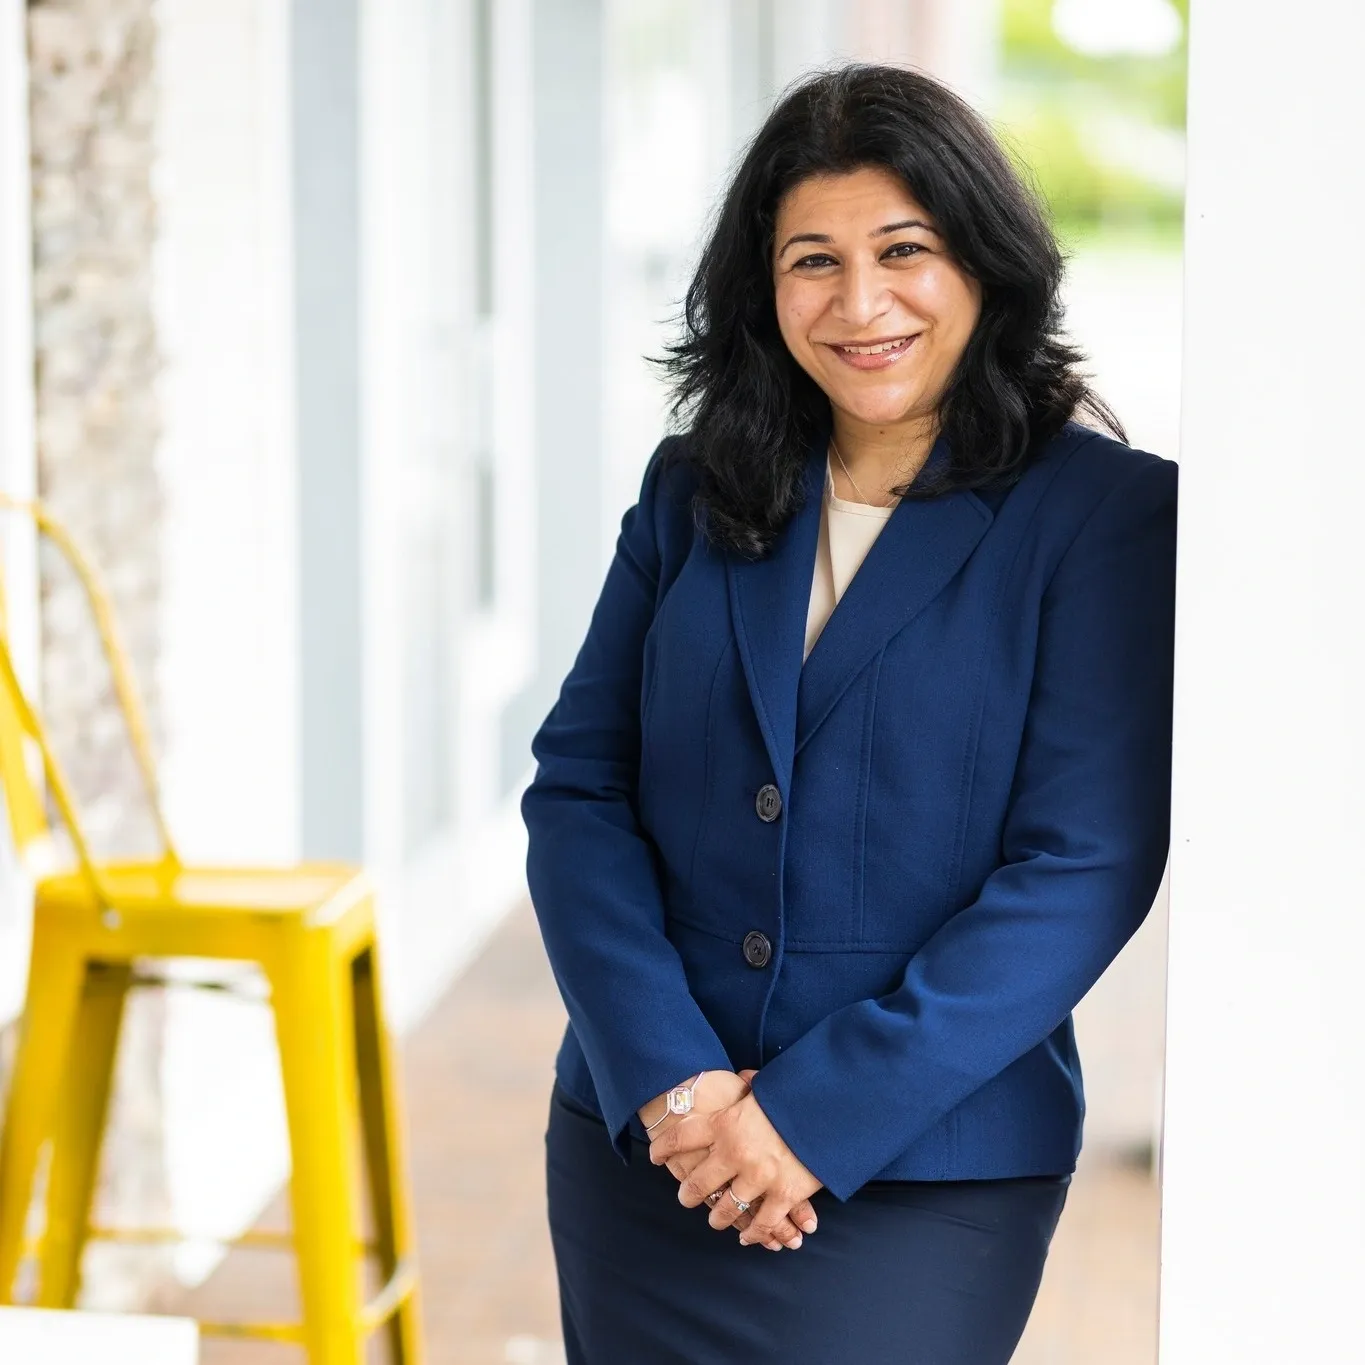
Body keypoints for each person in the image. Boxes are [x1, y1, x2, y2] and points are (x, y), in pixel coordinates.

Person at [522, 62, 1177, 1365]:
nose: (860, 302)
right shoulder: (691, 489)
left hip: (926, 1168)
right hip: (655, 1146)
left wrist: (808, 1117)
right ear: (762, 291)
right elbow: (578, 789)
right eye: (811, 260)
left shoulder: (1105, 515)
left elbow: (1082, 867)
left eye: (904, 250)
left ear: (984, 261)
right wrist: (678, 1081)